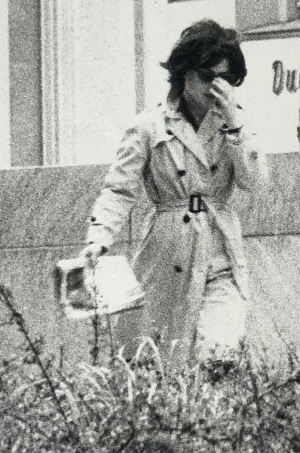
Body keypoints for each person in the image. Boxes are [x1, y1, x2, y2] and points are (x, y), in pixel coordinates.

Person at [80, 19, 266, 365]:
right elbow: (119, 190)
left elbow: (254, 182)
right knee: (159, 357)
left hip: (219, 247)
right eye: (209, 76)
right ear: (184, 73)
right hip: (168, 249)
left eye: (227, 79)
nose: (217, 87)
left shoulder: (235, 121)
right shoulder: (148, 127)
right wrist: (99, 238)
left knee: (220, 355)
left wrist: (236, 128)